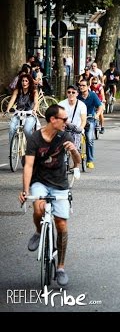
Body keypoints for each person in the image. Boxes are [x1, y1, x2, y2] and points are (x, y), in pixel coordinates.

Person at [19, 104, 81, 287]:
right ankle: (39, 232)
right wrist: (25, 190)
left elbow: (77, 162)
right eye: (64, 119)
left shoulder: (65, 136)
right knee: (38, 207)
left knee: (61, 225)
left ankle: (60, 267)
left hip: (60, 183)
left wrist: (74, 151)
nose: (67, 122)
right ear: (53, 120)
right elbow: (28, 166)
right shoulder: (35, 139)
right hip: (40, 181)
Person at [77, 79, 104, 169]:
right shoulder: (77, 96)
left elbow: (100, 106)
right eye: (80, 85)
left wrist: (97, 115)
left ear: (88, 86)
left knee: (89, 138)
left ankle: (90, 160)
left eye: (83, 85)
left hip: (90, 119)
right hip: (79, 120)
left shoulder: (92, 95)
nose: (81, 87)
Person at [7, 73, 39, 142]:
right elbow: (12, 100)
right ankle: (12, 147)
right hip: (18, 113)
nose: (24, 83)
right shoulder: (17, 90)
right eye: (23, 81)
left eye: (26, 81)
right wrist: (7, 109)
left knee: (27, 130)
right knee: (12, 128)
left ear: (29, 82)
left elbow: (36, 103)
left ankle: (30, 146)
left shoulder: (34, 91)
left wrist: (34, 110)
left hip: (30, 114)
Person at [58, 85, 87, 150]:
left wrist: (80, 128)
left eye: (73, 92)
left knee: (74, 149)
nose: (71, 94)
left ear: (77, 94)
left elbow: (83, 120)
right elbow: (58, 118)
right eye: (69, 92)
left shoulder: (82, 105)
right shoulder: (61, 104)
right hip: (64, 129)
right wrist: (66, 124)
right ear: (66, 93)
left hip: (76, 130)